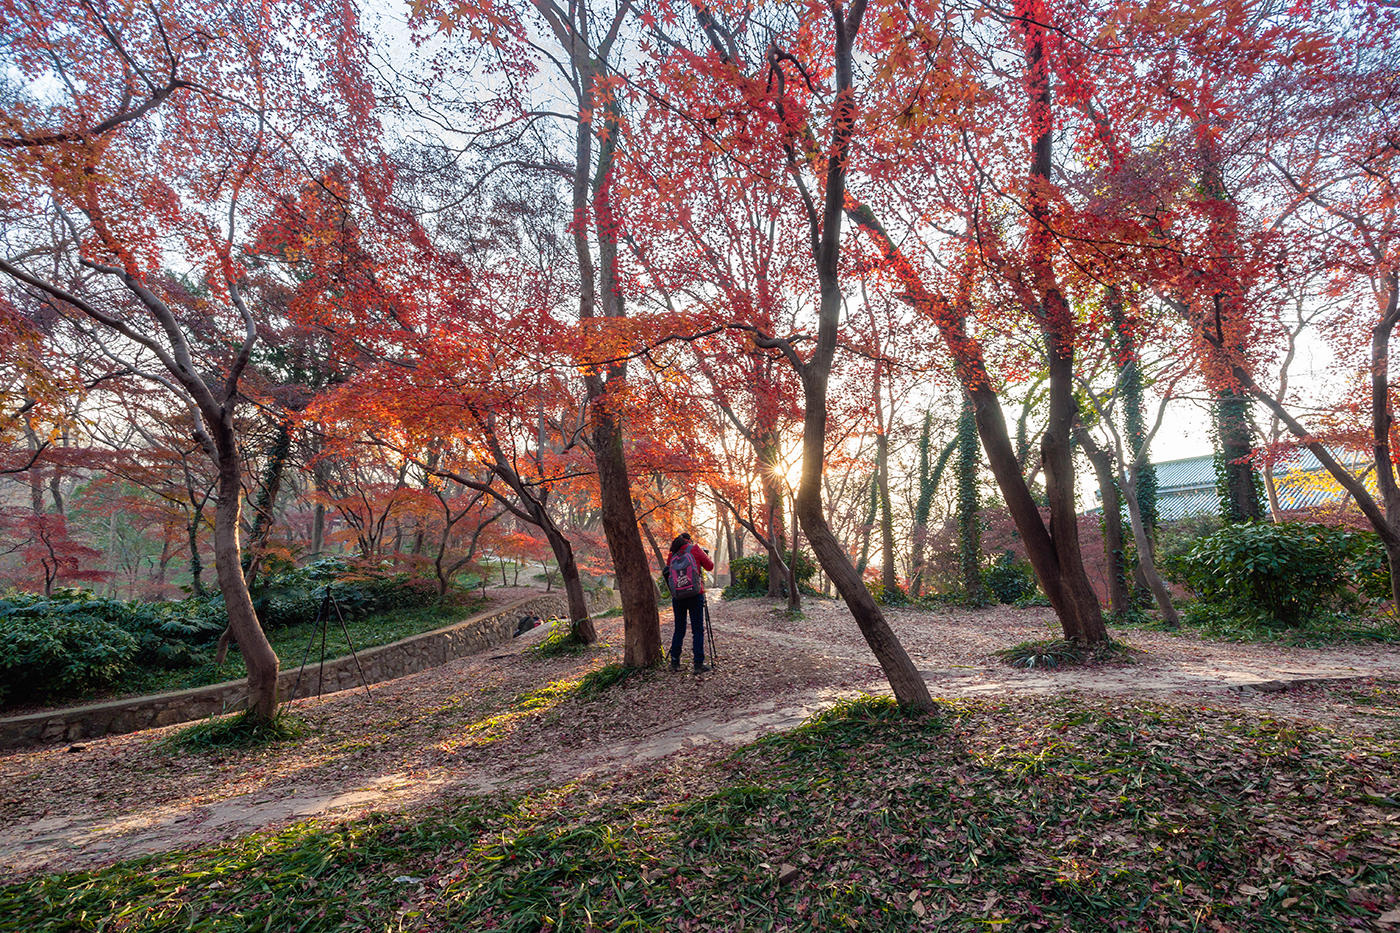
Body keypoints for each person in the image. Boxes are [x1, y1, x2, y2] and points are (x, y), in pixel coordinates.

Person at [665, 532, 714, 673]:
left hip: (678, 596)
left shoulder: (672, 554)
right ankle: (698, 664)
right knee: (697, 629)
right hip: (695, 594)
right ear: (689, 540)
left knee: (679, 629)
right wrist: (704, 556)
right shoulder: (695, 549)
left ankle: (674, 662)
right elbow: (710, 566)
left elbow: (670, 573)